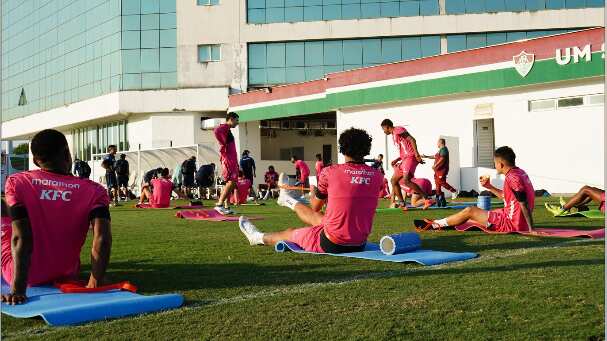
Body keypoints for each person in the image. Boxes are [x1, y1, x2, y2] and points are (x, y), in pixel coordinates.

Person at [1, 129, 112, 305]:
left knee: (5, 222)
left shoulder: (17, 182)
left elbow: (20, 237)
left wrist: (18, 289)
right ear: (67, 153)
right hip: (66, 273)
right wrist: (94, 283)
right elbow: (102, 238)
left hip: (23, 275)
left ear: (37, 161)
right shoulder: (94, 190)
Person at [238, 127, 383, 253]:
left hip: (332, 243)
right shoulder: (377, 176)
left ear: (342, 148)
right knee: (321, 219)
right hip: (359, 243)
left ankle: (257, 237)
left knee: (290, 233)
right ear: (366, 149)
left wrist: (313, 191)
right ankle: (287, 199)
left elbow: (315, 206)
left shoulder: (330, 172)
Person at [415, 146, 535, 233]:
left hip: (512, 223)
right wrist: (489, 187)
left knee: (470, 211)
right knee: (480, 214)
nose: (495, 166)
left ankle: (435, 224)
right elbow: (510, 198)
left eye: (495, 163)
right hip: (515, 219)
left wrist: (531, 229)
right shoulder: (519, 173)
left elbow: (523, 203)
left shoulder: (512, 178)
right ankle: (443, 222)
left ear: (501, 164)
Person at [381, 119, 432, 210]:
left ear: (387, 127)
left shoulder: (398, 129)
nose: (383, 131)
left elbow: (412, 139)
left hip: (410, 157)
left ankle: (427, 199)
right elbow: (404, 149)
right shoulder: (393, 135)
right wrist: (397, 159)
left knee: (406, 180)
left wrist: (417, 154)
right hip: (404, 159)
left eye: (383, 129)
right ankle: (402, 203)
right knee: (393, 181)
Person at [213, 112, 240, 215]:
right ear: (231, 119)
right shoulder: (224, 127)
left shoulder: (228, 130)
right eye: (237, 120)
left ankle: (226, 207)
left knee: (231, 183)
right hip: (228, 159)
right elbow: (216, 130)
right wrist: (222, 144)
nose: (237, 123)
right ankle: (219, 205)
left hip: (232, 160)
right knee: (231, 182)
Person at [423, 138, 457, 207]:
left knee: (441, 181)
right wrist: (426, 156)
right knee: (437, 185)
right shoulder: (440, 150)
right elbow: (435, 157)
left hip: (442, 170)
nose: (437, 144)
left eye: (437, 143)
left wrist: (436, 165)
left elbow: (442, 158)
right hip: (437, 170)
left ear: (440, 143)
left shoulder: (444, 149)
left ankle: (454, 191)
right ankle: (440, 200)